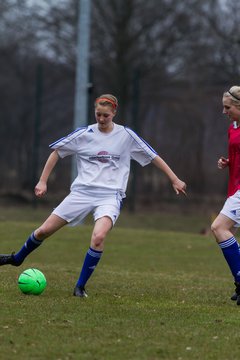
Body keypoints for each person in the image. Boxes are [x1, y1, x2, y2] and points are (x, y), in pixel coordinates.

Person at [0, 94, 187, 297]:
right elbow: (56, 152)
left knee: (98, 237)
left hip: (110, 196)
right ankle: (17, 258)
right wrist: (42, 181)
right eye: (98, 114)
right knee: (44, 231)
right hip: (81, 192)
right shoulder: (84, 134)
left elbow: (153, 157)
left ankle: (80, 287)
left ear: (114, 113)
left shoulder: (126, 136)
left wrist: (174, 179)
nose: (101, 119)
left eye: (106, 115)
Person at [211, 86, 240, 305]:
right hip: (235, 187)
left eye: (227, 107)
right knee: (225, 230)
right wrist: (228, 162)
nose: (224, 111)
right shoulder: (233, 127)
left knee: (219, 227)